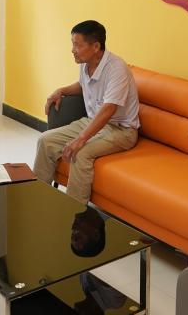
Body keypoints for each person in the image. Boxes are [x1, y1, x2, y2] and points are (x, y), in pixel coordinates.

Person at [33, 20, 139, 204]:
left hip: (121, 130)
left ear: (96, 46)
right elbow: (83, 85)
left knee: (80, 153)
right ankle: (38, 200)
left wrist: (80, 140)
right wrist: (61, 91)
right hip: (93, 122)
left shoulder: (117, 69)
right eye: (72, 44)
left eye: (77, 45)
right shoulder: (86, 62)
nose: (72, 50)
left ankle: (73, 211)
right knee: (45, 140)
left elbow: (108, 109)